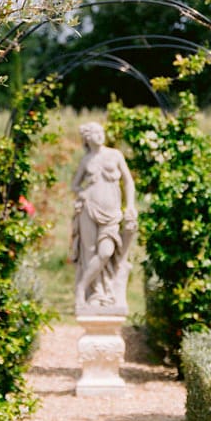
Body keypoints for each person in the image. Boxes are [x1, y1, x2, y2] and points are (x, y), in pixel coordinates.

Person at [68, 120, 137, 313]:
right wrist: (80, 192)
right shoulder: (86, 160)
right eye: (95, 133)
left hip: (112, 212)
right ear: (87, 138)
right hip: (89, 210)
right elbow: (74, 185)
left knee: (106, 252)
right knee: (90, 252)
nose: (100, 135)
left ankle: (82, 287)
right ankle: (95, 294)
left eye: (101, 131)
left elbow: (128, 181)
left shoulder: (115, 155)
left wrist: (130, 205)